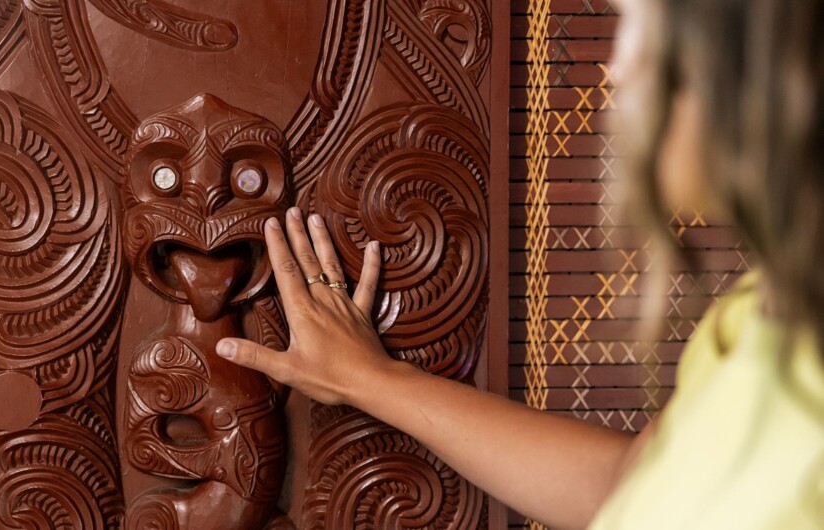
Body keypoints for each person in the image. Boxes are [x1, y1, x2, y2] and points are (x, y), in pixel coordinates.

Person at [214, 0, 824, 527]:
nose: (619, 67)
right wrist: (370, 379)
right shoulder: (761, 321)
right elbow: (621, 485)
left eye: (643, 23)